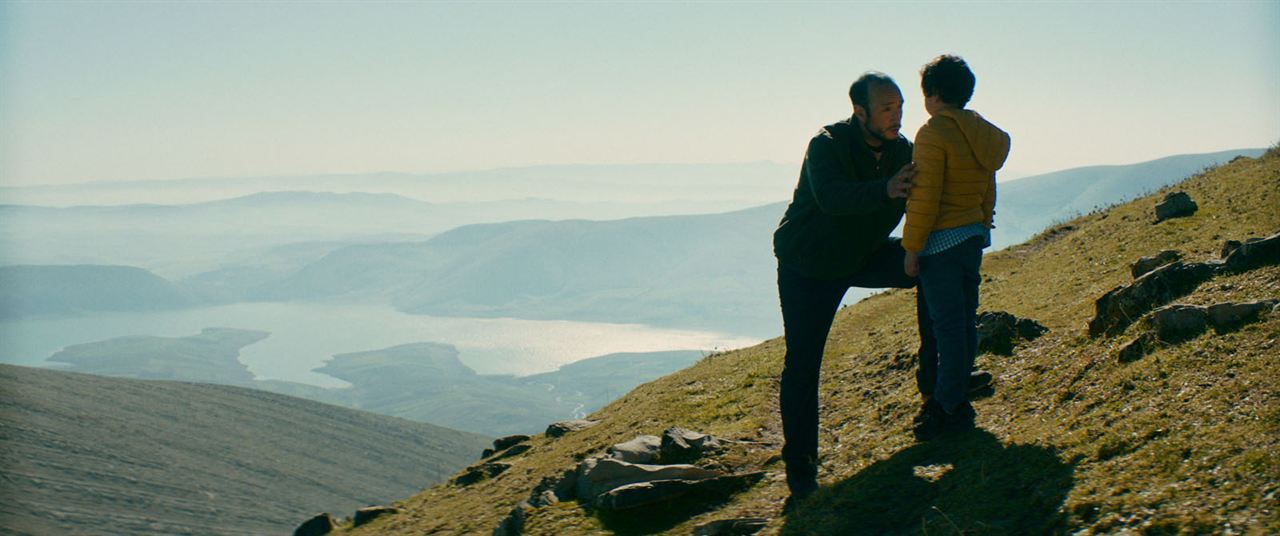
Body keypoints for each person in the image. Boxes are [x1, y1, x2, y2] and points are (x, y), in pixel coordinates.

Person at [772, 72, 925, 510]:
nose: (896, 115)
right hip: (809, 265)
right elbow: (832, 198)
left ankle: (938, 395)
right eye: (886, 108)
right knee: (803, 363)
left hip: (863, 254)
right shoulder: (827, 143)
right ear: (860, 112)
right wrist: (885, 189)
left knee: (933, 266)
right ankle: (801, 470)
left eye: (899, 106)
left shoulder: (903, 149)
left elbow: (924, 197)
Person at [902, 55, 1010, 441]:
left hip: (941, 244)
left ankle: (948, 404)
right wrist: (983, 221)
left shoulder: (932, 133)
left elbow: (924, 196)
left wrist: (912, 247)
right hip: (971, 238)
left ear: (932, 95)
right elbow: (988, 183)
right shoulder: (982, 134)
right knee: (965, 320)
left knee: (945, 326)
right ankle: (957, 390)